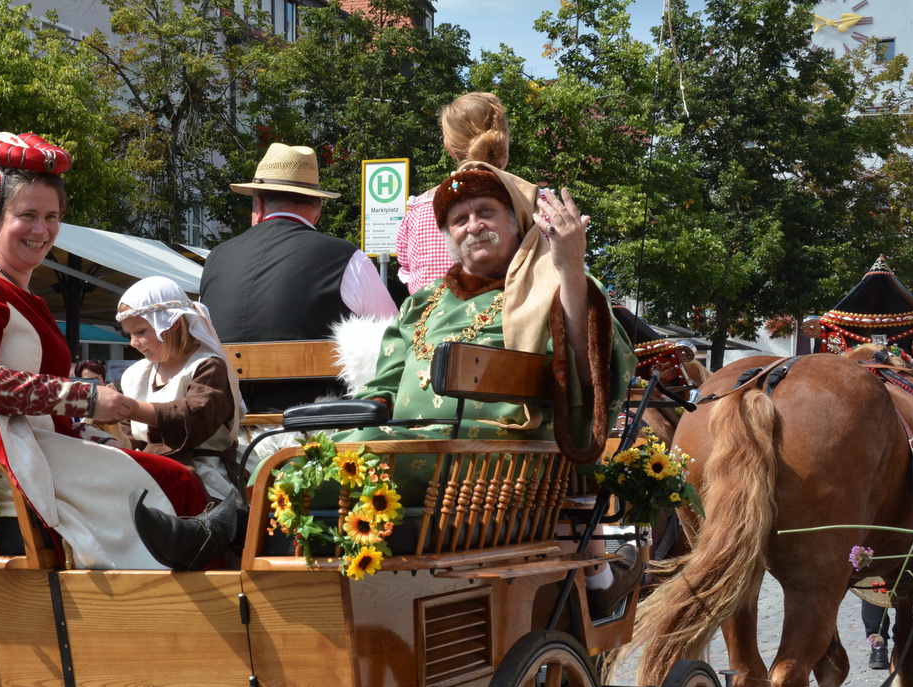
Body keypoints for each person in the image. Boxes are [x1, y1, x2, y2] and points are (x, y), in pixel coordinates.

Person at [140, 161, 636, 577]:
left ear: (516, 222)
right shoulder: (423, 303)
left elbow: (590, 372)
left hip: (490, 459)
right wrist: (339, 422)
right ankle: (235, 551)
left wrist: (570, 267)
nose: (472, 225)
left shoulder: (548, 285)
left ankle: (214, 534)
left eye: (486, 212)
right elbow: (379, 391)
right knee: (287, 455)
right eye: (458, 219)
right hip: (410, 448)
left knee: (319, 462)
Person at [0, 125, 206, 570]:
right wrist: (89, 398)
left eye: (52, 217)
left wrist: (91, 423)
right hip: (3, 452)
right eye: (27, 215)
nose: (42, 230)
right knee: (175, 483)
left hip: (38, 442)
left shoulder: (22, 294)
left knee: (176, 475)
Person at [199, 142, 397, 412]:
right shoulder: (346, 257)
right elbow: (392, 336)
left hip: (231, 425)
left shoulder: (215, 259)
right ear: (318, 207)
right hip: (317, 430)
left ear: (257, 202)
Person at [115, 277, 244, 503]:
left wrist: (131, 409)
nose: (133, 343)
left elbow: (195, 416)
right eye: (130, 334)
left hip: (202, 472)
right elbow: (129, 435)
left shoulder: (207, 366)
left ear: (172, 323)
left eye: (141, 332)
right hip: (150, 470)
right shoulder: (136, 375)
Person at [394, 92, 509, 293]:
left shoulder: (418, 213)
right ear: (504, 137)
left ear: (449, 147)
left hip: (437, 323)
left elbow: (414, 287)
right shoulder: (541, 205)